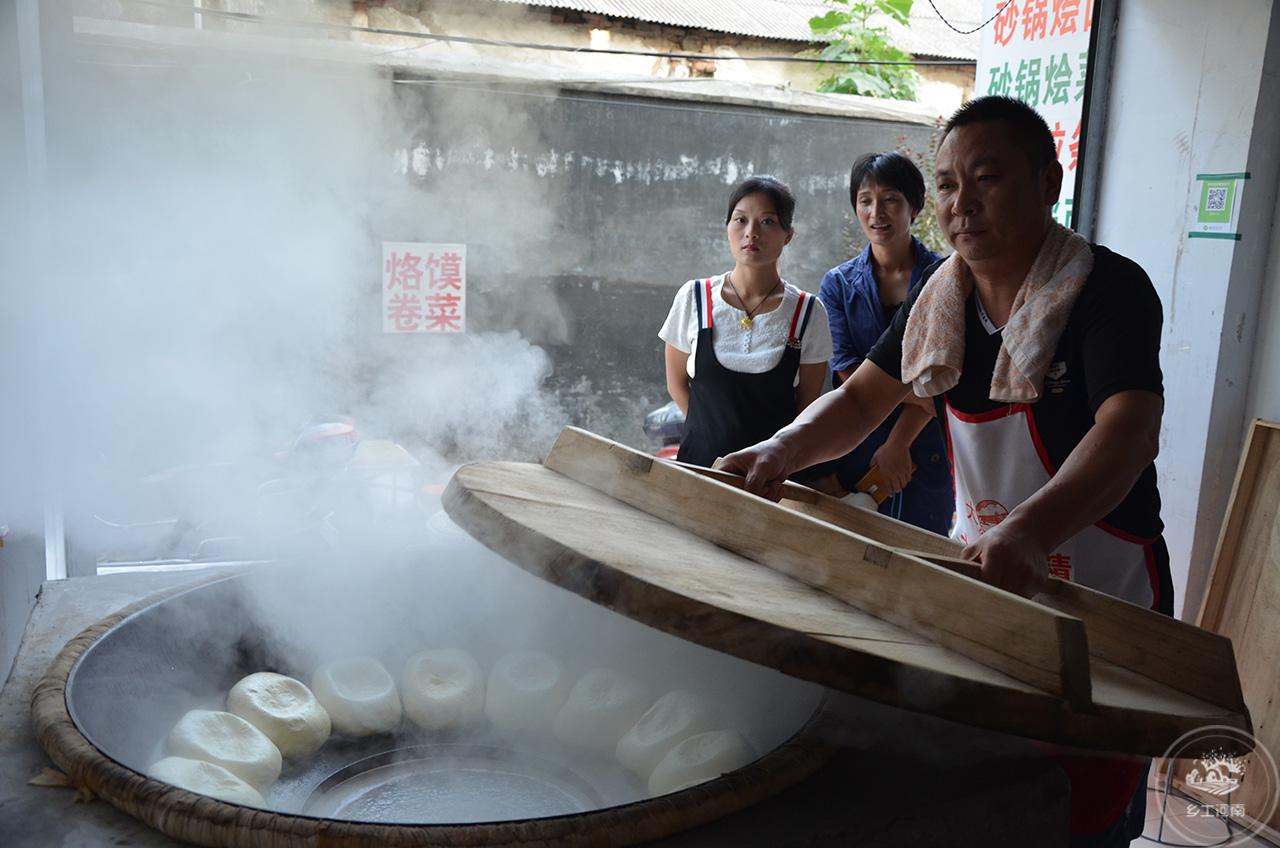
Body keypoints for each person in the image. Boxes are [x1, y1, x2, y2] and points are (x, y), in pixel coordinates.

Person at [721, 96, 1171, 847]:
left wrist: (1033, 528)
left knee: (1087, 792)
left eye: (986, 178)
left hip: (1101, 580)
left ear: (1048, 181)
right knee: (994, 774)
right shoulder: (943, 300)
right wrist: (781, 450)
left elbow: (1128, 432)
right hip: (985, 565)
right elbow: (861, 401)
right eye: (951, 184)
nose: (962, 204)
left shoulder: (1107, 290)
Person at [659, 175, 832, 469]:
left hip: (769, 481)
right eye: (740, 220)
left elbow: (807, 406)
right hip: (699, 469)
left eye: (767, 222)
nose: (751, 233)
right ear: (727, 227)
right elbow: (676, 383)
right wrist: (709, 434)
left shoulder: (808, 313)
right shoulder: (695, 298)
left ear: (788, 234)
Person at [819, 152, 951, 533]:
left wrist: (899, 443)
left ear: (916, 204)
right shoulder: (839, 284)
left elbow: (940, 376)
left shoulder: (945, 277)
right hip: (858, 444)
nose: (877, 212)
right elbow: (846, 371)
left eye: (891, 199)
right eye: (865, 200)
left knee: (924, 562)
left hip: (925, 451)